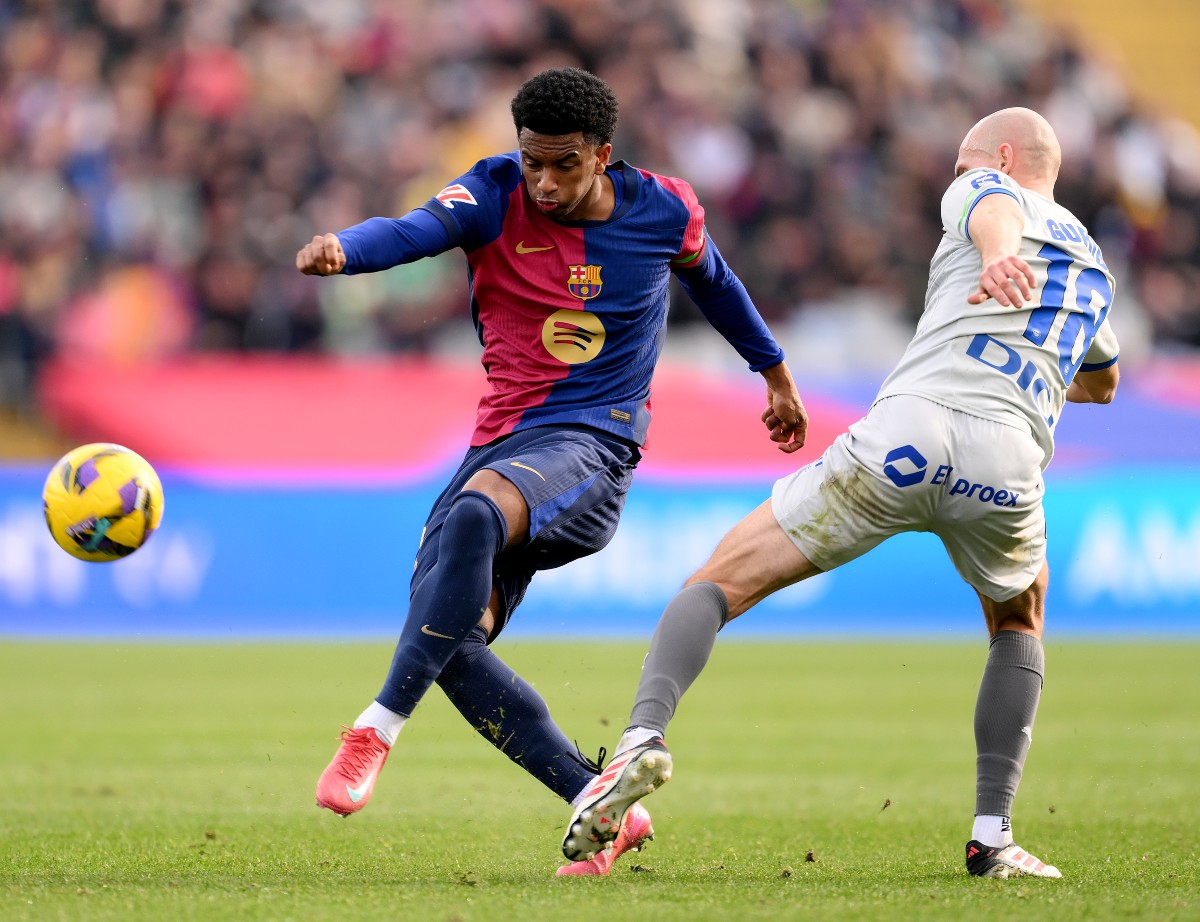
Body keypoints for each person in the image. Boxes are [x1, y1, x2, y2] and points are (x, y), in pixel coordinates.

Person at [562, 107, 1120, 880]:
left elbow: (991, 208)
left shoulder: (986, 190)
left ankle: (640, 739)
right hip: (1008, 462)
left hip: (911, 432)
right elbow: (1104, 379)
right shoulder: (1093, 267)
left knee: (719, 581)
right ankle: (992, 835)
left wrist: (993, 257)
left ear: (999, 155)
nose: (958, 178)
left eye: (965, 164)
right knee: (1021, 616)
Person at [295, 66, 807, 877]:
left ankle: (376, 728)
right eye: (533, 160)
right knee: (449, 641)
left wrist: (773, 372)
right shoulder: (496, 193)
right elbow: (414, 229)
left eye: (563, 163)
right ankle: (599, 802)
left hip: (593, 448)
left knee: (470, 519)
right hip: (500, 445)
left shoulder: (663, 210)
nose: (544, 180)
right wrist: (345, 251)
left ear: (603, 155)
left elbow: (716, 283)